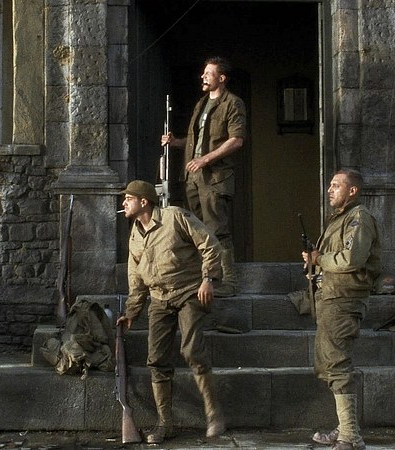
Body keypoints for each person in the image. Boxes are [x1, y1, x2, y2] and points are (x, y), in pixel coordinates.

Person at [115, 179, 226, 444]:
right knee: (156, 360)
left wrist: (208, 279)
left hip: (189, 292)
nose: (123, 203)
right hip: (159, 298)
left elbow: (210, 244)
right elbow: (136, 278)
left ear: (144, 201)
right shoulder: (135, 235)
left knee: (192, 350)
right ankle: (165, 424)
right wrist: (131, 312)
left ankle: (214, 415)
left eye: (128, 199)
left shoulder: (174, 217)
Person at [301, 169, 381, 450]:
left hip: (344, 299)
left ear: (353, 191)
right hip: (330, 298)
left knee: (337, 364)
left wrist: (319, 259)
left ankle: (350, 436)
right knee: (326, 365)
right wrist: (314, 263)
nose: (330, 190)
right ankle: (346, 427)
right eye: (330, 185)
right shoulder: (338, 220)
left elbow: (352, 259)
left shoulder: (359, 218)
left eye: (336, 185)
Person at [161, 56, 247, 297]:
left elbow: (236, 140)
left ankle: (228, 282)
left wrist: (205, 160)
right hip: (193, 177)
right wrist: (176, 142)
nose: (203, 77)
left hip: (215, 177)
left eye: (208, 73)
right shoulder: (201, 104)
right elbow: (196, 142)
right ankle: (204, 278)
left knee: (217, 229)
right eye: (204, 73)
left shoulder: (233, 104)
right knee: (197, 230)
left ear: (222, 78)